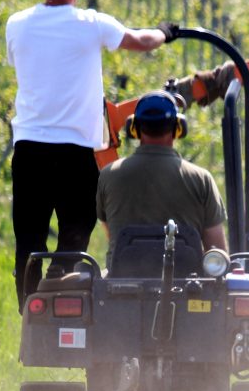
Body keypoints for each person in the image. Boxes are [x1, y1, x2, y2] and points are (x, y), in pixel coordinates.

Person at [6, 0, 181, 311]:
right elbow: (140, 41)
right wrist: (165, 31)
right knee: (76, 228)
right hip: (76, 149)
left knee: (29, 236)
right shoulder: (91, 24)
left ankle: (30, 311)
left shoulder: (17, 24)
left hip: (29, 150)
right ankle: (63, 293)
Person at [96, 91, 227, 270]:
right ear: (178, 127)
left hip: (120, 286)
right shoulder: (201, 179)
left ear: (134, 128)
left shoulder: (108, 175)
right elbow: (217, 248)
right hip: (189, 290)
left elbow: (112, 234)